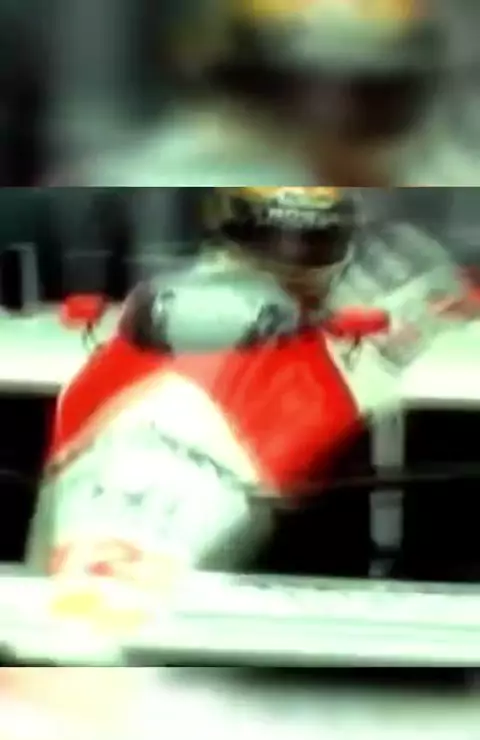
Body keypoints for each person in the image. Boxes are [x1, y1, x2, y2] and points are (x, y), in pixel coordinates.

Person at [27, 187, 467, 610]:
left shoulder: (357, 320)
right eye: (275, 238)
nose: (291, 257)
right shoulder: (178, 298)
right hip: (151, 428)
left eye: (311, 241)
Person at [49, 0, 446, 188]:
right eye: (310, 91)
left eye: (372, 95)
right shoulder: (146, 176)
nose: (340, 118)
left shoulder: (434, 169)